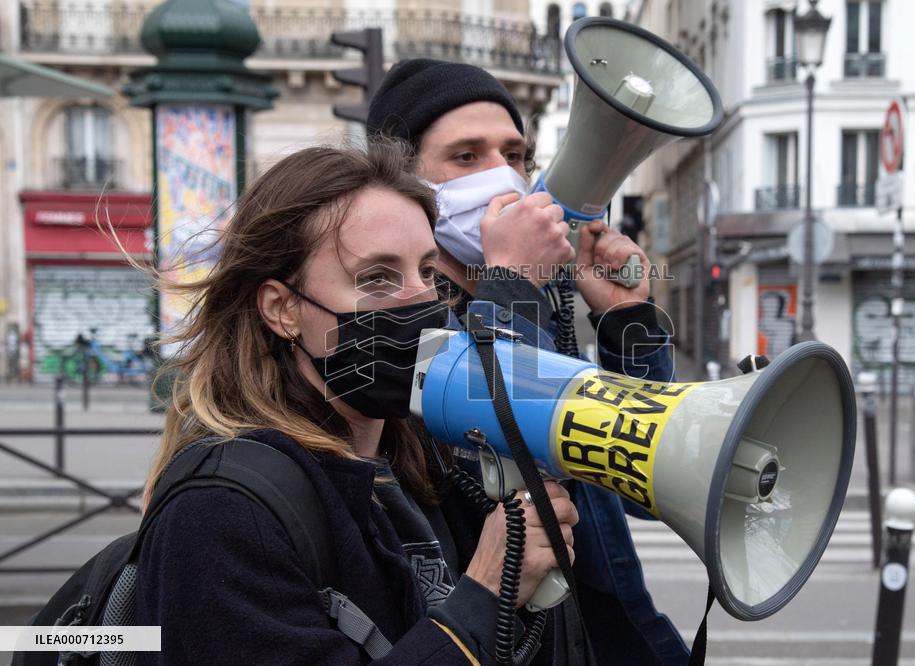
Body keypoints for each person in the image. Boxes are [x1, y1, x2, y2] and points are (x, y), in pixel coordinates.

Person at [134, 141, 580, 664]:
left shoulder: (424, 454)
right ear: (282, 309)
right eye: (376, 278)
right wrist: (484, 593)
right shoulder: (219, 513)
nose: (420, 299)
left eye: (428, 272)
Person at [366, 60, 689, 665]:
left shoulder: (531, 303)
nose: (503, 178)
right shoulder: (393, 328)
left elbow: (638, 466)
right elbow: (500, 437)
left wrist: (626, 318)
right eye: (466, 157)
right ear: (404, 185)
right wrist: (511, 282)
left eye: (514, 155)